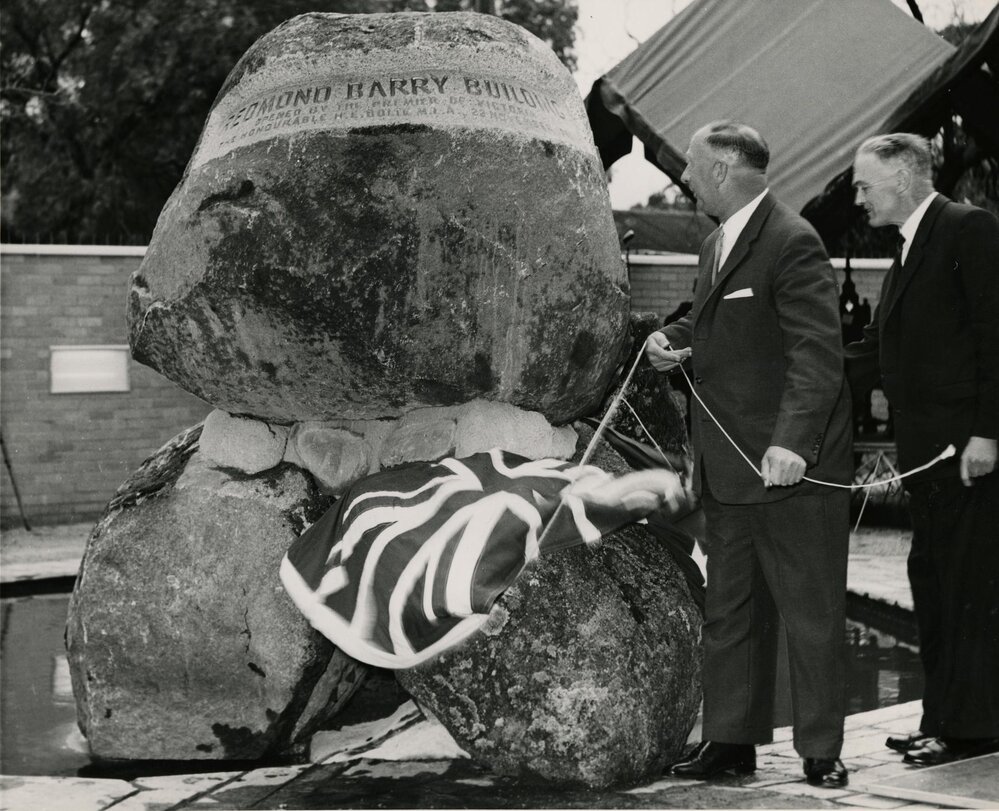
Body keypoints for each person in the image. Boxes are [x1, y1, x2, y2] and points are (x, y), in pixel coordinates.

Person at [645, 121, 853, 789]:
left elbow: (816, 356)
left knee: (809, 615)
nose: (681, 175)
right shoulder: (713, 244)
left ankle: (820, 750)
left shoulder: (792, 241)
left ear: (722, 168)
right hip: (728, 469)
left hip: (791, 471)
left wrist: (792, 443)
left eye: (691, 164)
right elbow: (715, 324)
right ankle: (730, 741)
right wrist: (670, 338)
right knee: (728, 612)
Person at [845, 132, 999, 766]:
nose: (856, 198)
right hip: (928, 459)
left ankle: (971, 729)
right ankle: (944, 717)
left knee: (967, 590)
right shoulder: (909, 249)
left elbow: (996, 338)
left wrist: (989, 433)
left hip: (965, 453)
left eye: (864, 184)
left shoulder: (969, 230)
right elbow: (874, 352)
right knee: (933, 584)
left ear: (903, 180)